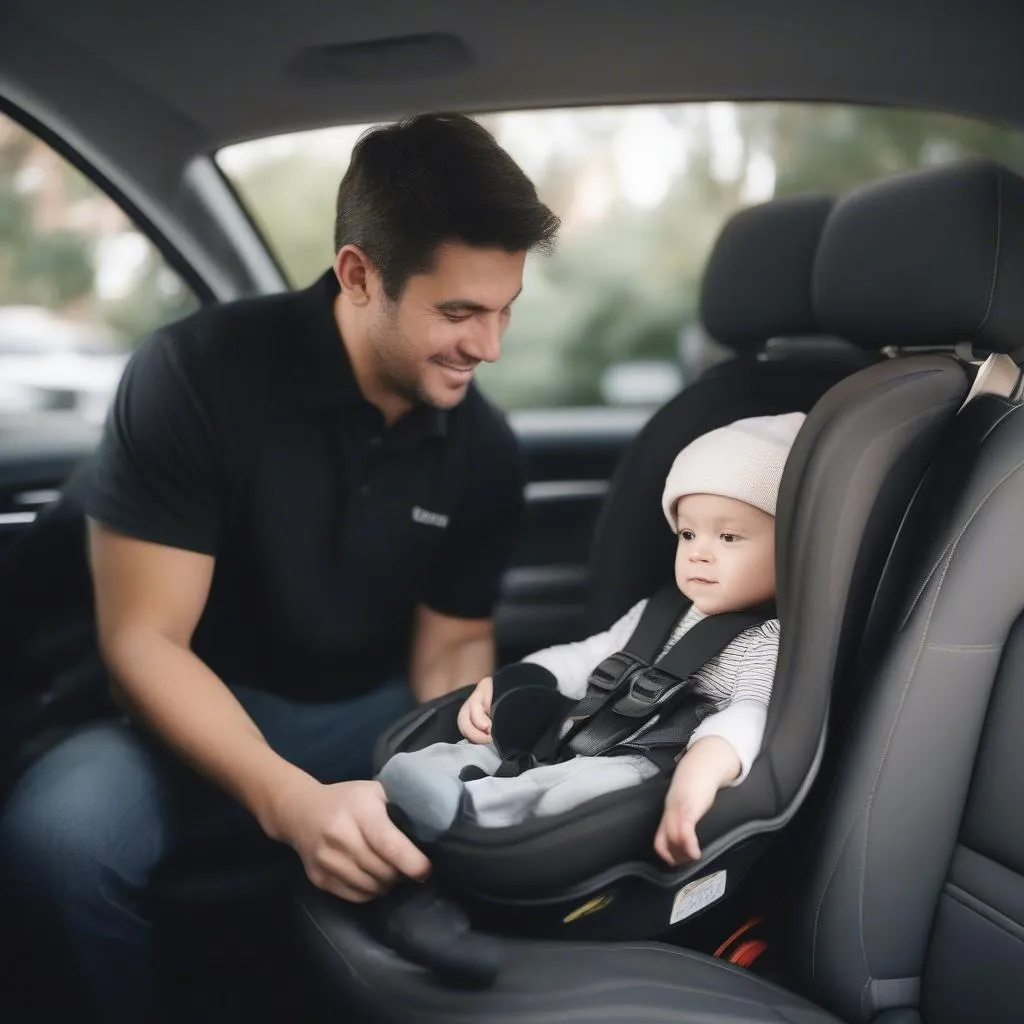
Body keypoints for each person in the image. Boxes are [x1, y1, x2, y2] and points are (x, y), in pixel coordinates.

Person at [0, 113, 559, 1021]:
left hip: (354, 712)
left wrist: (476, 772)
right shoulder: (197, 375)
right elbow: (143, 643)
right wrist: (291, 804)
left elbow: (452, 650)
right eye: (457, 312)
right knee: (58, 843)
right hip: (159, 714)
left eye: (505, 311)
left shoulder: (483, 447)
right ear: (358, 275)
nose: (488, 347)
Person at [380, 413, 804, 867]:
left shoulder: (767, 640)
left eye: (729, 536)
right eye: (687, 533)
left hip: (646, 758)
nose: (699, 550)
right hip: (583, 725)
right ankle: (430, 776)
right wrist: (517, 678)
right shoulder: (658, 611)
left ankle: (487, 812)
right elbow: (593, 654)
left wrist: (702, 768)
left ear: (788, 551)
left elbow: (751, 713)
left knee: (589, 786)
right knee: (498, 738)